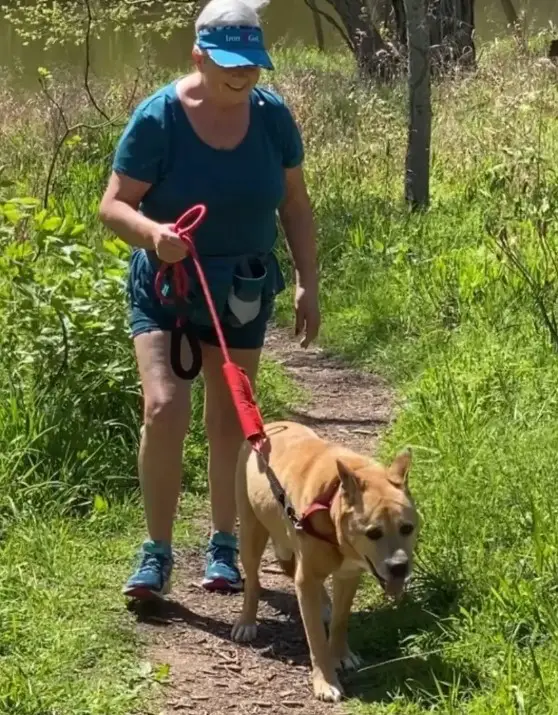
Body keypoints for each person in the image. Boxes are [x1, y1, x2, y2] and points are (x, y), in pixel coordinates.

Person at [98, 0, 320, 599]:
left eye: (252, 62)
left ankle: (224, 546)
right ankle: (157, 553)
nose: (243, 74)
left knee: (230, 419)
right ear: (197, 54)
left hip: (243, 287)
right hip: (168, 283)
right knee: (164, 409)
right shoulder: (159, 118)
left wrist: (307, 280)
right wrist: (154, 235)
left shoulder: (274, 119)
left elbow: (294, 205)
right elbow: (113, 204)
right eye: (229, 62)